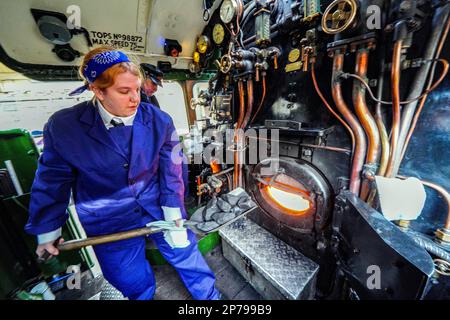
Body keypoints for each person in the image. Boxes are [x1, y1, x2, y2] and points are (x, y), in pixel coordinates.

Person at [25, 46, 220, 300]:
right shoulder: (63, 127)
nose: (135, 99)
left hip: (159, 208)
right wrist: (48, 230)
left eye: (137, 89)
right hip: (108, 220)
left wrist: (174, 212)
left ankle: (211, 298)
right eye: (124, 91)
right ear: (97, 90)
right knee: (132, 281)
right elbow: (52, 181)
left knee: (187, 254)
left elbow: (172, 169)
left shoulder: (160, 120)